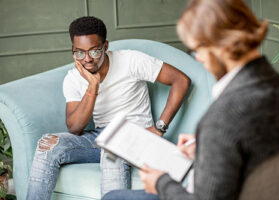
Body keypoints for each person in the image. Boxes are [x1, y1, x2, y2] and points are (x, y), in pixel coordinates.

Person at [102, 0, 279, 199]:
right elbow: (256, 146)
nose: (198, 58)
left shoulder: (224, 114)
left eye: (196, 49)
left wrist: (160, 182)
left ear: (219, 46)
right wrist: (207, 146)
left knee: (113, 197)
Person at [26, 16, 191, 200]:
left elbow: (181, 80)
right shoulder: (73, 78)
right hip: (101, 136)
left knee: (112, 150)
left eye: (94, 51)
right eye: (79, 53)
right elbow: (74, 128)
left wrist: (160, 126)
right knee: (47, 145)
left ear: (105, 46)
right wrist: (92, 86)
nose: (87, 59)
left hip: (135, 135)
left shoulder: (131, 60)